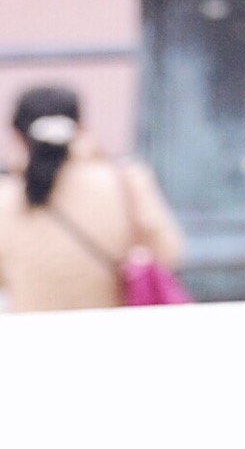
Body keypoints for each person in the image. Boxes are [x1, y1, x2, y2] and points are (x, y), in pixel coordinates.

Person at [3, 84, 184, 311]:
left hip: (31, 339)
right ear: (81, 127)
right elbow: (169, 251)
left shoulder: (6, 198)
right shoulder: (125, 182)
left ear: (17, 134)